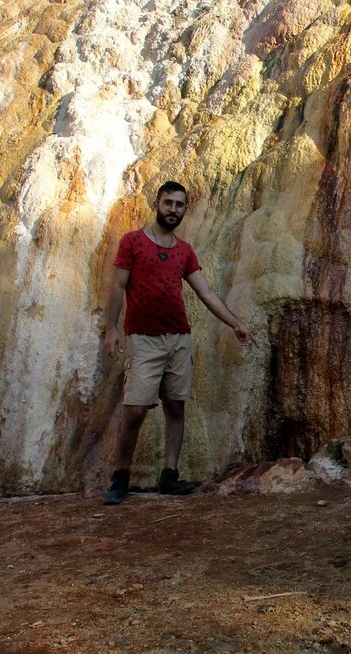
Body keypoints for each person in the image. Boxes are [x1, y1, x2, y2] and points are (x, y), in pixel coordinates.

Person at [101, 180, 254, 505]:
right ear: (157, 203)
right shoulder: (132, 242)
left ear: (185, 210)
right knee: (135, 410)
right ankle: (120, 476)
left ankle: (169, 475)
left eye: (179, 205)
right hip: (143, 339)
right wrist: (111, 328)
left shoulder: (184, 250)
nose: (173, 209)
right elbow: (117, 287)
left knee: (175, 405)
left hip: (179, 338)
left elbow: (206, 292)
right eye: (168, 203)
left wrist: (236, 324)